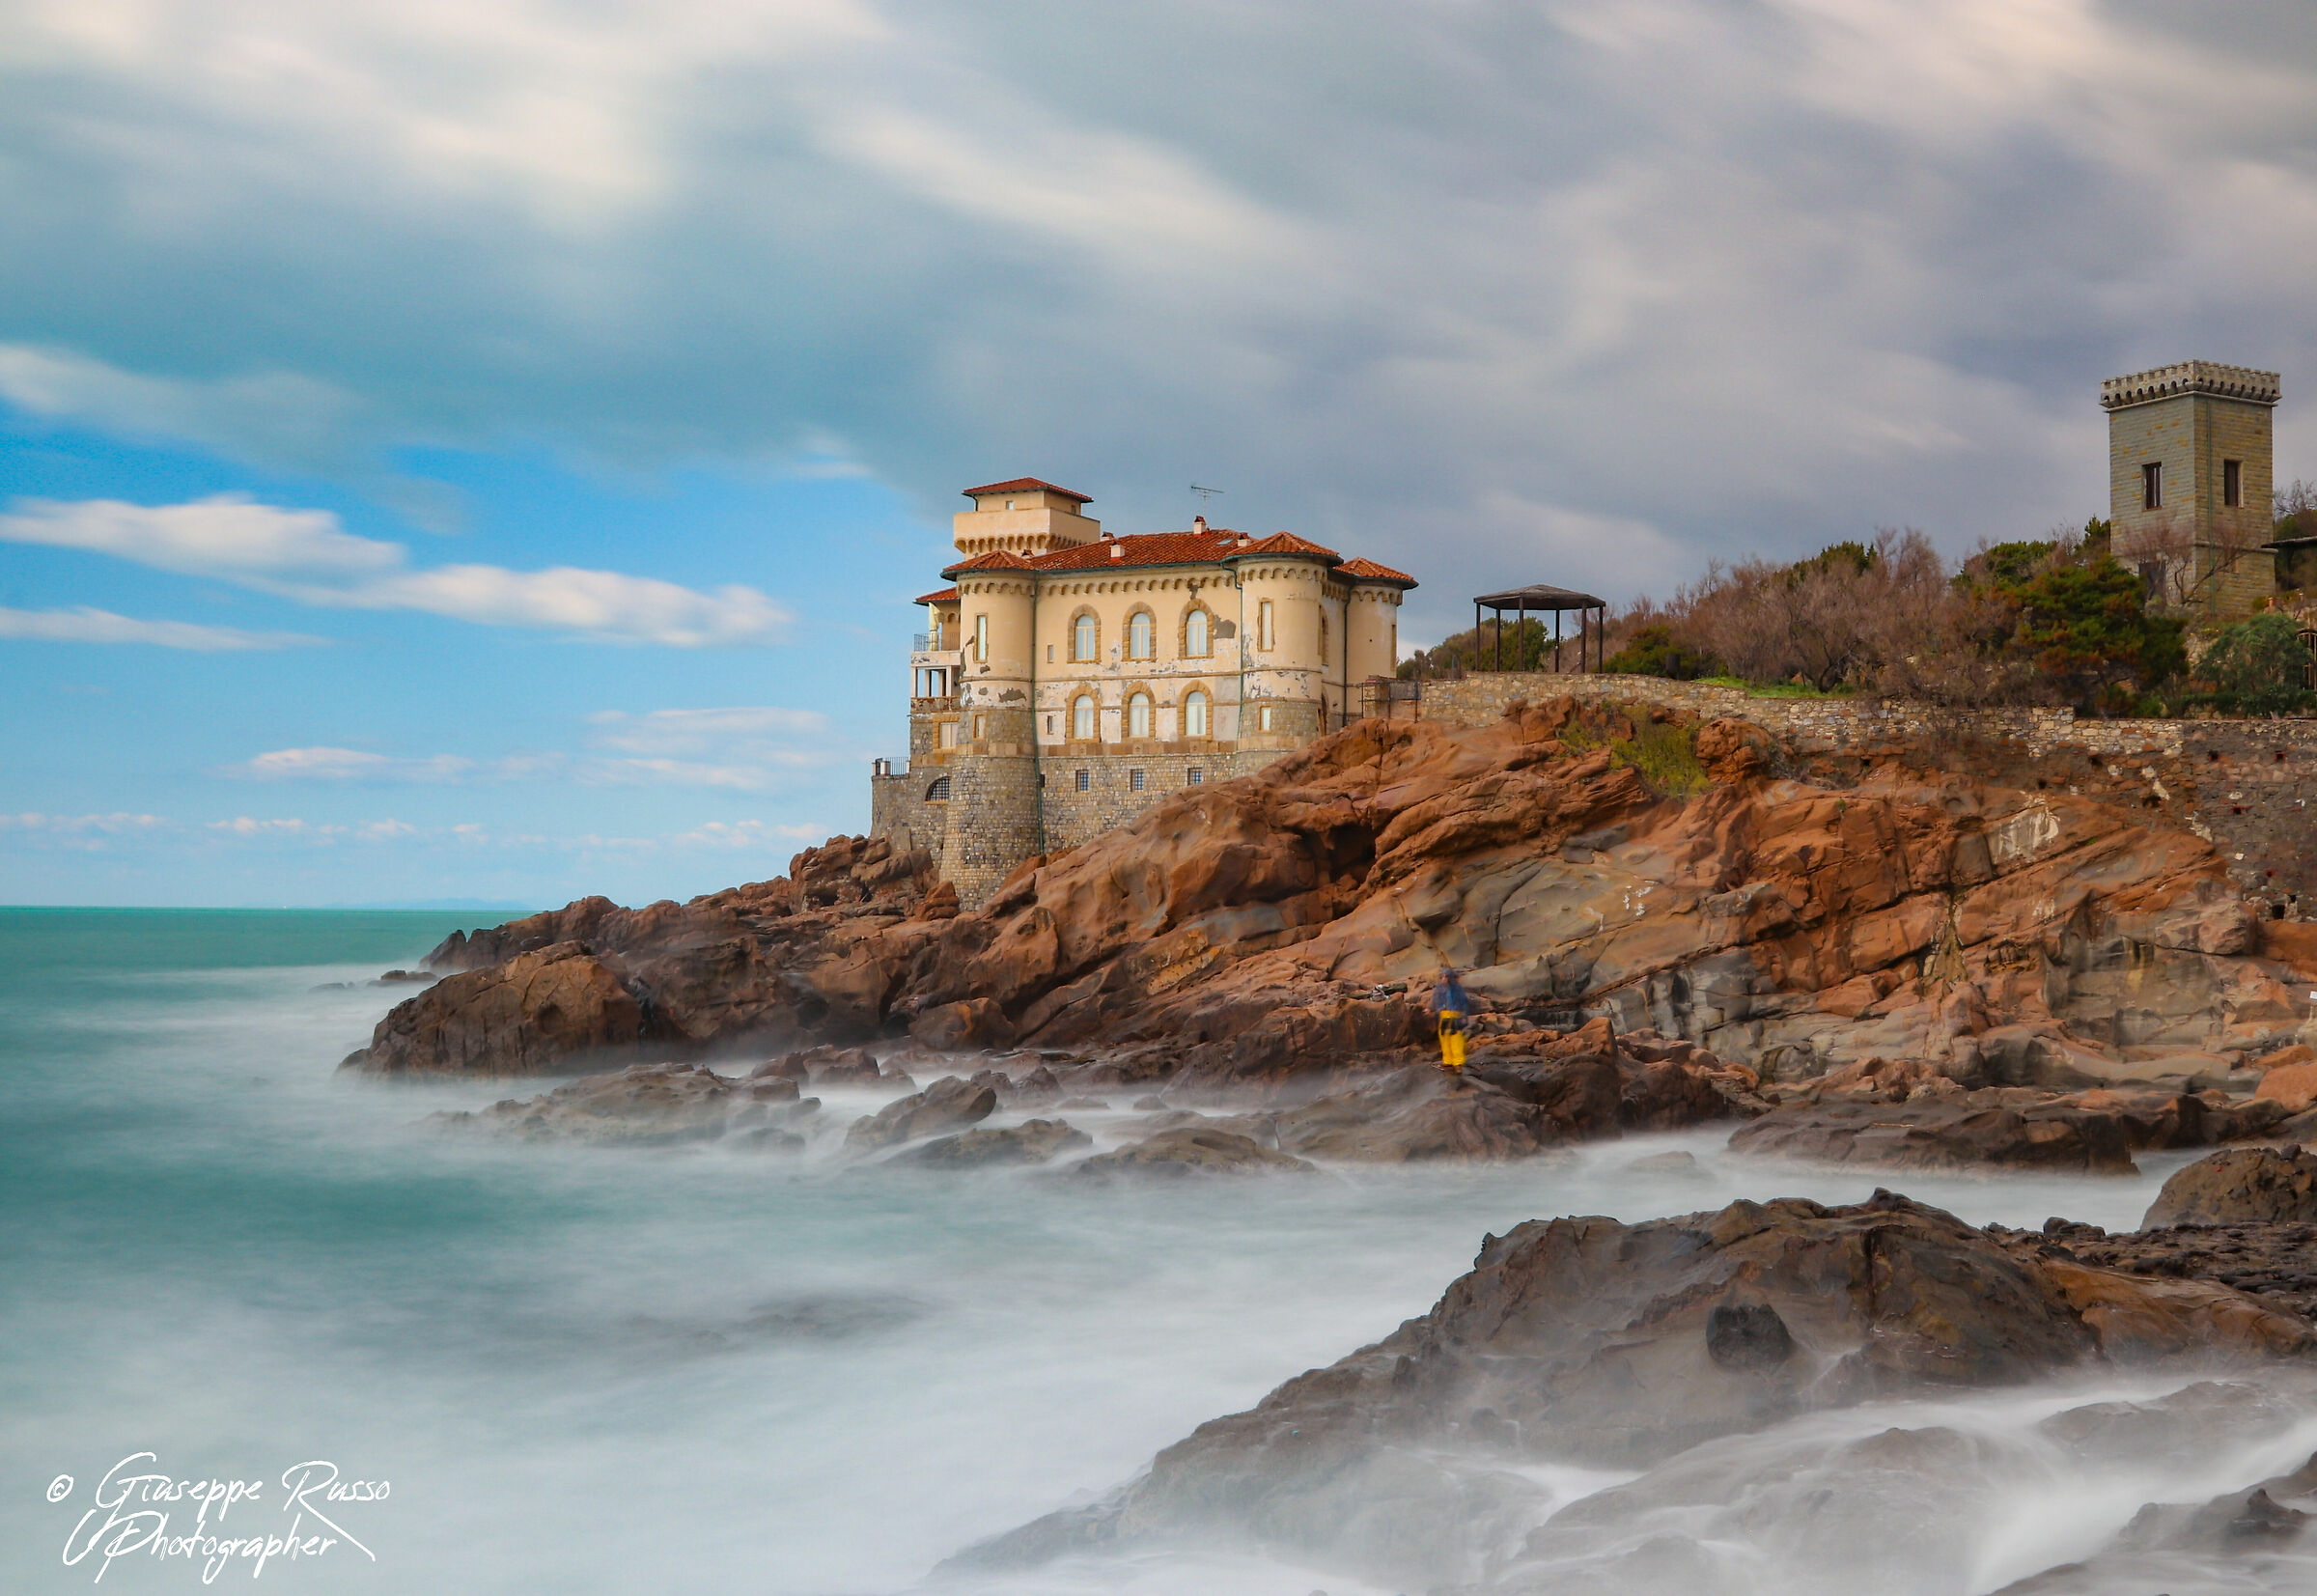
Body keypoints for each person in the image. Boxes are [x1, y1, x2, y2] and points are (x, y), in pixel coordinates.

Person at [1430, 966, 1470, 1074]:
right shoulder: (1439, 988)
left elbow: (1464, 1003)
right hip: (1443, 1016)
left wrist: (1464, 1017)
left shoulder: (1457, 989)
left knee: (1456, 1040)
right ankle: (1447, 1061)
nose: (1443, 979)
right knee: (1444, 1039)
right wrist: (1430, 1009)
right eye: (1441, 976)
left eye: (1445, 976)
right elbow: (1435, 1000)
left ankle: (1457, 1064)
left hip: (1455, 1016)